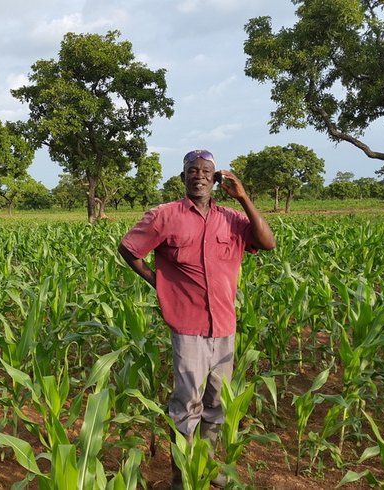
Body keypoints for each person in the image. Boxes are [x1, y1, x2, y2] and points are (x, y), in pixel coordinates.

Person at [118, 149, 276, 489]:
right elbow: (129, 249)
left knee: (216, 404)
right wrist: (159, 281)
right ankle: (182, 478)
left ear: (216, 180)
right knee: (187, 404)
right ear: (183, 177)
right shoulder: (165, 216)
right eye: (193, 170)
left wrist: (244, 197)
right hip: (187, 326)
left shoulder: (231, 219)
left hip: (224, 327)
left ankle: (205, 466)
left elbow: (268, 242)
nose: (199, 176)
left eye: (206, 171)